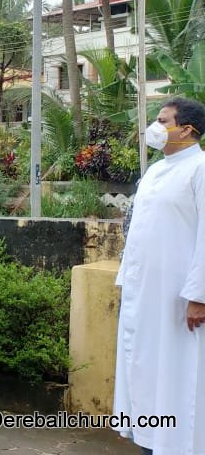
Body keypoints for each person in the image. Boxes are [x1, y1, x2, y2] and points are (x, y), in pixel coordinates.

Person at [113, 97, 205, 454]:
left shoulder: (199, 168)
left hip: (180, 298)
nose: (155, 126)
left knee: (178, 374)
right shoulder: (154, 171)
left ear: (186, 129)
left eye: (163, 120)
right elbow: (138, 231)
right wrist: (127, 281)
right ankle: (150, 441)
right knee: (145, 368)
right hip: (145, 294)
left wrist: (199, 295)